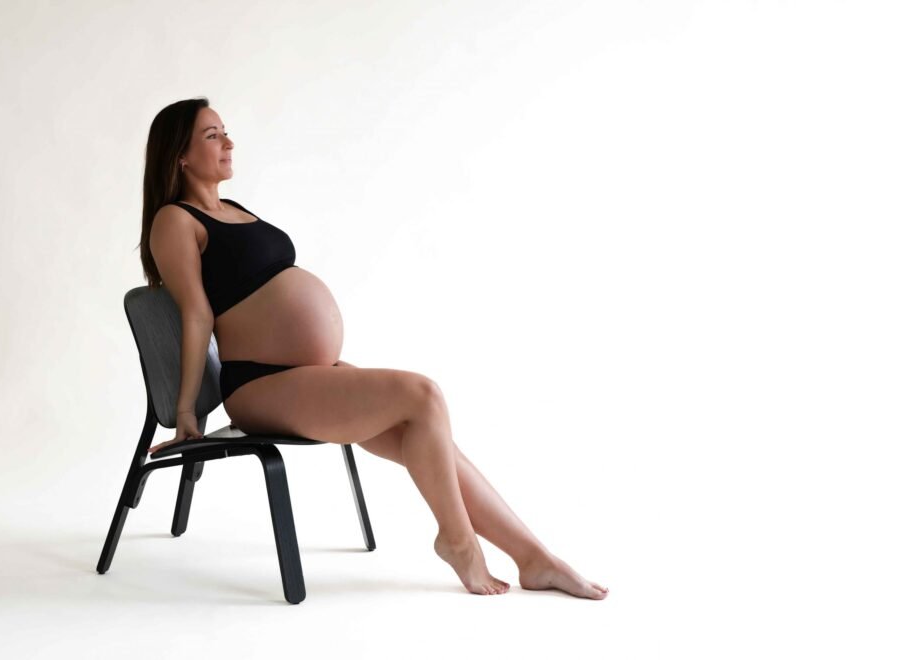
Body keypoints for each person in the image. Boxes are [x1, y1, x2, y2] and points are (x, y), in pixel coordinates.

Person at [137, 97, 608, 599]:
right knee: (423, 395)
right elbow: (196, 313)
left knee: (423, 431)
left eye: (225, 131)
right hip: (261, 385)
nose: (229, 142)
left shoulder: (234, 209)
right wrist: (187, 411)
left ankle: (535, 559)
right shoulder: (175, 220)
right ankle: (459, 544)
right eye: (212, 135)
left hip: (306, 376)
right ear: (181, 155)